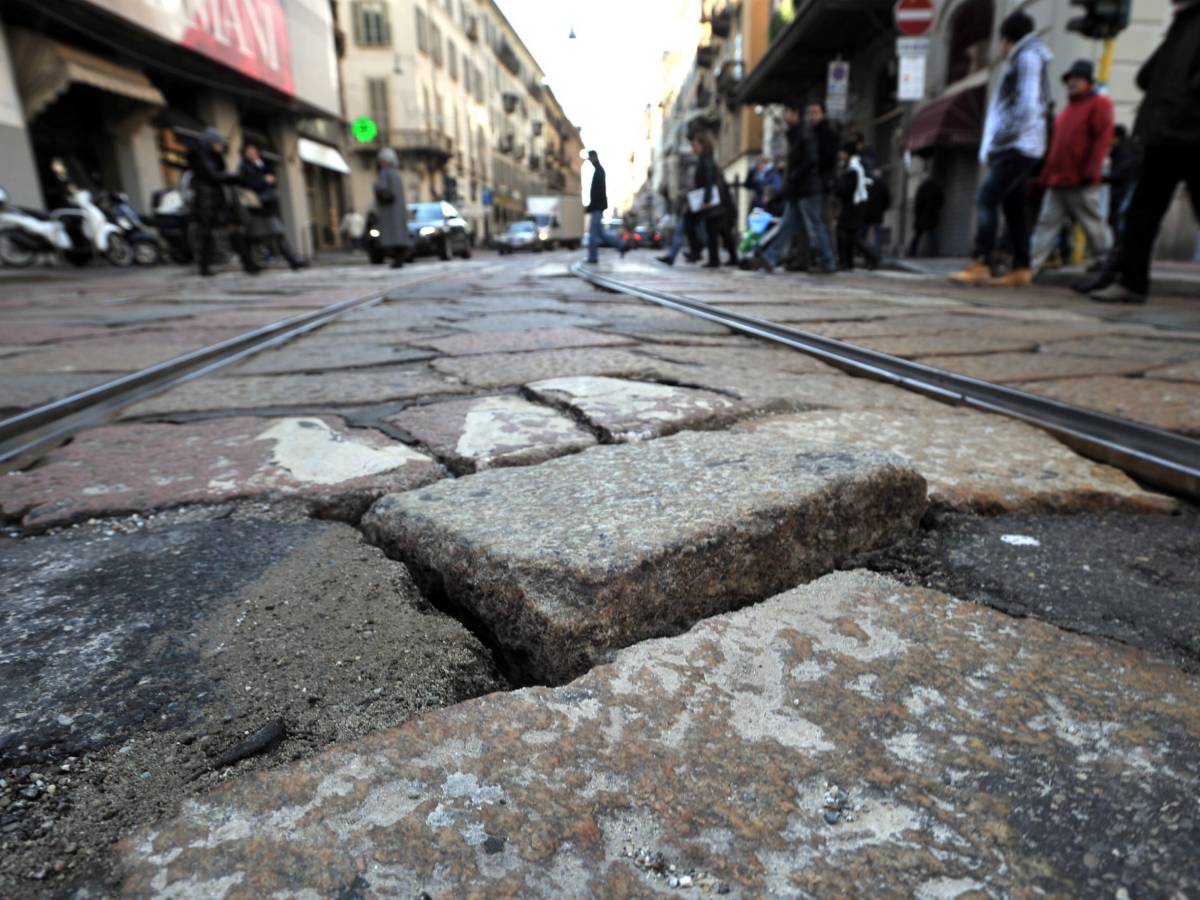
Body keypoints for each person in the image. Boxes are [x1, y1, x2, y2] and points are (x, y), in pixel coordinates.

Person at [1091, 0, 1200, 304]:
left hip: (1187, 133)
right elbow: (1147, 75)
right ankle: (1132, 282)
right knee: (1142, 213)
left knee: (1144, 212)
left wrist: (1180, 107)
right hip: (1165, 135)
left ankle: (1132, 282)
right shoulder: (1182, 24)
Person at [949, 11, 1051, 287]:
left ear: (1007, 39)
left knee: (987, 198)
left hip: (1017, 145)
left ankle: (981, 261)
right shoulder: (1028, 58)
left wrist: (1003, 137)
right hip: (1022, 144)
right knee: (1014, 207)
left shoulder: (1026, 58)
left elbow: (1028, 105)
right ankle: (1021, 267)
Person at [1027, 60, 1114, 277]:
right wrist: (1044, 177)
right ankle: (1031, 264)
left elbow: (1101, 140)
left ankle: (1104, 261)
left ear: (1088, 82)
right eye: (1070, 79)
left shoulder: (1099, 104)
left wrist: (1090, 172)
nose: (1072, 82)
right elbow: (1055, 149)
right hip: (1058, 180)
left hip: (1080, 179)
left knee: (1091, 223)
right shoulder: (1066, 111)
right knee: (1046, 223)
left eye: (1078, 78)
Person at [751, 100, 836, 274]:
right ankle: (770, 257)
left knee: (815, 226)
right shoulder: (798, 132)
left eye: (787, 112)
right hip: (799, 189)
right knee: (787, 225)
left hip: (807, 188)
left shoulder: (805, 132)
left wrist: (795, 176)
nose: (784, 116)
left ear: (796, 113)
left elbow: (810, 160)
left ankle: (828, 261)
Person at [187, 126, 259, 277]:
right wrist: (235, 177)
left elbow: (219, 175)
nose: (220, 146)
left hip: (216, 198)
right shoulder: (201, 156)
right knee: (207, 234)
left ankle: (248, 264)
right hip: (206, 200)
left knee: (233, 229)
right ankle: (205, 267)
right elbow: (214, 176)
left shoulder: (213, 156)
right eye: (218, 143)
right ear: (210, 142)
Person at [239, 142, 305, 270]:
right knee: (253, 237)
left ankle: (292, 261)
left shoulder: (262, 164)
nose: (252, 153)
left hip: (267, 206)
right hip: (256, 207)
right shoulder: (244, 167)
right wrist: (264, 180)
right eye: (249, 151)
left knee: (275, 234)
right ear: (245, 153)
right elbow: (247, 184)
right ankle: (249, 263)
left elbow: (271, 181)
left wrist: (269, 181)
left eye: (254, 150)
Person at [691, 132, 739, 268]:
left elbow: (708, 182)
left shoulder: (706, 161)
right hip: (720, 202)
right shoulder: (707, 160)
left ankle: (714, 260)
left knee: (713, 231)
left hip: (715, 203)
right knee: (724, 231)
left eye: (695, 145)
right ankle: (732, 258)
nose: (693, 148)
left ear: (701, 145)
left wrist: (706, 200)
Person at [834, 142, 878, 271]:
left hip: (854, 204)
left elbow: (847, 189)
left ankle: (850, 261)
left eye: (842, 152)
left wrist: (836, 186)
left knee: (845, 233)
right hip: (855, 204)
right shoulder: (852, 166)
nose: (840, 155)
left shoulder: (853, 167)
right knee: (851, 235)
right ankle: (850, 262)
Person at [583, 150, 627, 264]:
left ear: (594, 157)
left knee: (593, 234)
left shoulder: (599, 171)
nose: (589, 160)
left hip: (597, 207)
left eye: (590, 158)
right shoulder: (598, 170)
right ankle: (621, 245)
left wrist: (591, 207)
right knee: (600, 233)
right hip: (598, 207)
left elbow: (597, 193)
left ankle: (593, 257)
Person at [373, 147, 409, 268]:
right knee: (398, 235)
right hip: (397, 211)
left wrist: (376, 187)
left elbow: (381, 187)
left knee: (391, 236)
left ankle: (397, 258)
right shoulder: (396, 174)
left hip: (389, 211)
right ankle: (399, 258)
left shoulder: (385, 173)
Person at [909, 172, 944, 256]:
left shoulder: (922, 188)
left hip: (922, 216)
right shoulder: (936, 188)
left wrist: (917, 214)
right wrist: (936, 209)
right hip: (932, 215)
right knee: (933, 235)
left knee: (918, 235)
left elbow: (918, 203)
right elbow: (941, 200)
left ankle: (912, 252)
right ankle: (934, 253)